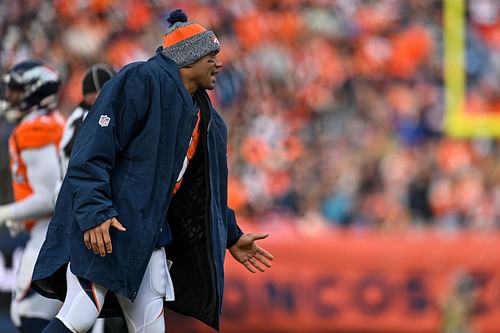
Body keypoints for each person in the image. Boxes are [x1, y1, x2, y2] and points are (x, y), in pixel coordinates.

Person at [32, 8, 274, 333]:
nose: (219, 64)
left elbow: (200, 191)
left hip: (148, 234)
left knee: (148, 328)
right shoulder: (141, 79)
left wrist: (230, 233)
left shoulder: (206, 116)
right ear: (188, 60)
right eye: (211, 57)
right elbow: (91, 153)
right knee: (80, 314)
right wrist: (94, 213)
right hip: (109, 225)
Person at [0, 60, 65, 332]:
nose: (9, 96)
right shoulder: (45, 122)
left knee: (29, 310)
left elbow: (48, 198)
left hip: (48, 234)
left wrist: (5, 213)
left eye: (16, 90)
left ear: (34, 92)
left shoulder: (35, 129)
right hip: (51, 231)